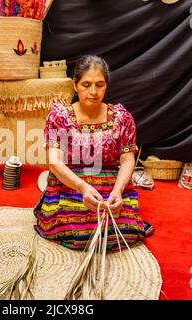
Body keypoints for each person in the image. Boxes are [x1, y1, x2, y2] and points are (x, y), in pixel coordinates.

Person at [33, 55, 154, 251]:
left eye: (100, 85)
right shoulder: (59, 117)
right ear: (75, 85)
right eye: (86, 84)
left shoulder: (121, 118)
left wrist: (118, 191)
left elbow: (127, 160)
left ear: (106, 86)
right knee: (73, 228)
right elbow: (54, 162)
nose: (93, 91)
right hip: (70, 184)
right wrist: (82, 188)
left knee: (126, 230)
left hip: (110, 184)